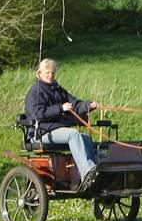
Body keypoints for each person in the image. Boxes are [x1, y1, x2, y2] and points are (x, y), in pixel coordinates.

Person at [24, 58, 100, 192]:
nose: (50, 75)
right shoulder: (35, 92)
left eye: (52, 73)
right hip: (41, 132)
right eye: (47, 72)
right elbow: (39, 114)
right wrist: (60, 108)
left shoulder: (57, 89)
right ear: (39, 73)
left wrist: (88, 106)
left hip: (55, 129)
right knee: (73, 134)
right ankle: (87, 172)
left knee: (85, 138)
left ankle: (95, 172)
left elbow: (75, 104)